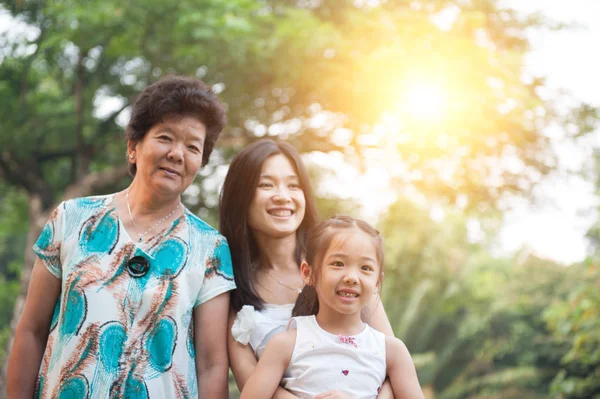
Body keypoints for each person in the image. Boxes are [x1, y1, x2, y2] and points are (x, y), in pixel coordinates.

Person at [6, 75, 235, 398]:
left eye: (192, 146)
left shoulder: (210, 248)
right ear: (133, 148)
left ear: (200, 162)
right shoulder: (72, 219)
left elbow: (212, 365)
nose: (177, 154)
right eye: (165, 137)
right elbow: (31, 331)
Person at [220, 140, 397, 398]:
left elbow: (390, 363)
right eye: (266, 184)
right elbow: (252, 387)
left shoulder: (344, 272)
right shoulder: (231, 288)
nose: (283, 196)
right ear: (241, 197)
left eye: (294, 185)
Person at [240, 215, 425, 399]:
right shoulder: (285, 344)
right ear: (308, 273)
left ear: (377, 281)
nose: (352, 277)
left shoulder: (392, 351)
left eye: (365, 268)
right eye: (338, 264)